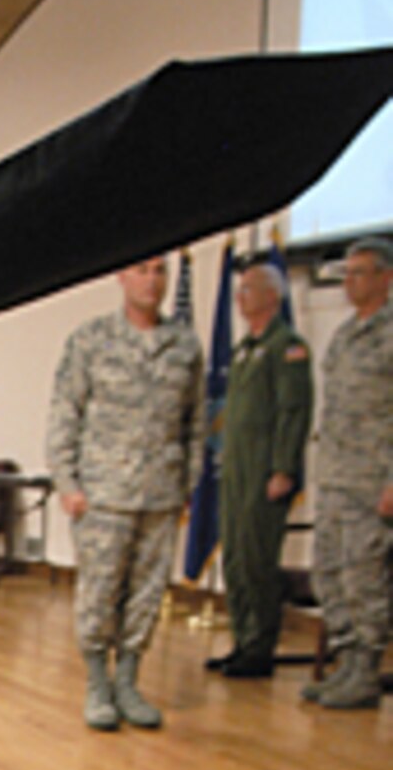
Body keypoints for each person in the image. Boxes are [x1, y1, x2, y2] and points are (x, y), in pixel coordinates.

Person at [46, 258, 205, 730]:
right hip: (103, 494)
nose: (151, 281)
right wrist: (67, 483)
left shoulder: (184, 346)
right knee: (99, 593)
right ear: (120, 275)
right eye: (141, 270)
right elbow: (64, 414)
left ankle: (129, 683)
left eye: (159, 271)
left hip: (160, 493)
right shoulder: (92, 340)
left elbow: (195, 424)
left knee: (146, 595)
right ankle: (98, 685)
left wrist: (188, 484)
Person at [300, 238, 393, 711]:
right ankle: (346, 660)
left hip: (372, 481)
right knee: (330, 574)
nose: (349, 280)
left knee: (365, 578)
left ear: (386, 277)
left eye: (359, 272)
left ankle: (367, 668)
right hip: (336, 476)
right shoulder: (343, 334)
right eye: (347, 272)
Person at [208, 260, 313, 678]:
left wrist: (284, 468)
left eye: (249, 288)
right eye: (239, 289)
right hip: (236, 469)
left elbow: (293, 411)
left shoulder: (287, 347)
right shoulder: (244, 349)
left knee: (257, 560)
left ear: (273, 295)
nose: (240, 297)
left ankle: (260, 646)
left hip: (265, 472)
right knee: (234, 558)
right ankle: (241, 638)